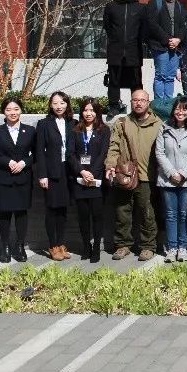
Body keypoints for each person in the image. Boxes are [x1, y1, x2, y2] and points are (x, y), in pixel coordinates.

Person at [106, 90, 163, 261]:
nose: (138, 103)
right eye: (135, 100)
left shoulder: (158, 124)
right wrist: (110, 165)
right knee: (122, 211)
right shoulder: (122, 122)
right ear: (131, 102)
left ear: (148, 102)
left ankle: (148, 246)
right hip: (125, 175)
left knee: (147, 213)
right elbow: (114, 146)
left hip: (148, 176)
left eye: (142, 100)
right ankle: (122, 245)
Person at [0, 98, 36, 263]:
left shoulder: (30, 131)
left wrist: (24, 163)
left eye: (16, 109)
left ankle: (20, 246)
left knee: (21, 213)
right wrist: (7, 162)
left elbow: (37, 154)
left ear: (21, 110)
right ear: (3, 112)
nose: (13, 112)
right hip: (3, 179)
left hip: (23, 179)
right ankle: (5, 247)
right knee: (4, 214)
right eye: (8, 109)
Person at [154, 96, 187, 262]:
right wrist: (172, 172)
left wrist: (183, 174)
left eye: (185, 109)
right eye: (178, 108)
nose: (181, 112)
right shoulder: (164, 128)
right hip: (167, 179)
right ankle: (172, 248)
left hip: (186, 181)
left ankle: (183, 247)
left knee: (184, 214)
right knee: (171, 214)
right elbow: (159, 153)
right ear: (173, 110)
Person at [34, 92, 76, 261]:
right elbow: (39, 151)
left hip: (68, 171)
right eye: (55, 103)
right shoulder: (44, 124)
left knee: (63, 210)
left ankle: (60, 243)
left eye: (62, 103)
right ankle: (52, 245)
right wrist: (42, 175)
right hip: (51, 172)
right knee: (52, 209)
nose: (59, 106)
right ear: (50, 105)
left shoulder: (73, 123)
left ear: (67, 104)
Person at [69, 98, 110, 262]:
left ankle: (97, 248)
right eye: (86, 110)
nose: (89, 113)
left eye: (92, 110)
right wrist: (82, 171)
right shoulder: (75, 130)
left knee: (97, 216)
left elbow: (103, 153)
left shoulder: (104, 130)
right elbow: (71, 154)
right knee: (83, 216)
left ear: (97, 112)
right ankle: (86, 246)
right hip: (80, 179)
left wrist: (92, 173)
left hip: (96, 179)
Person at [102, 0, 144, 118]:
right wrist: (116, 40)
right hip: (115, 50)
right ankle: (114, 106)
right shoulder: (111, 7)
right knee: (114, 81)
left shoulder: (140, 8)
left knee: (136, 82)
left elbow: (143, 28)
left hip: (134, 51)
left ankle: (138, 108)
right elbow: (107, 26)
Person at [144, 0, 187, 101]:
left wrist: (178, 39)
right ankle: (159, 104)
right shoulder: (154, 2)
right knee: (161, 76)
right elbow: (152, 24)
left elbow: (183, 25)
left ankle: (168, 103)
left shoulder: (179, 5)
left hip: (175, 47)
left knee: (170, 78)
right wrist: (168, 40)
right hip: (160, 46)